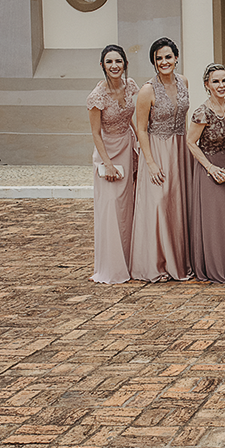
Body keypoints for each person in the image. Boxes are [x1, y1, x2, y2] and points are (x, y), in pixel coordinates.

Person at [130, 37, 192, 282]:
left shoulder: (184, 81)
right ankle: (156, 264)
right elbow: (141, 129)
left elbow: (184, 118)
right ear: (154, 63)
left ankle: (179, 260)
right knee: (159, 203)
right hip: (157, 149)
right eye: (159, 58)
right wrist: (150, 162)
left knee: (177, 205)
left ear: (176, 58)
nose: (164, 62)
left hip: (180, 149)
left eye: (168, 56)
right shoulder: (147, 90)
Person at [186, 64, 225, 282]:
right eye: (216, 81)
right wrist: (210, 168)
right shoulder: (202, 112)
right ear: (207, 85)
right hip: (208, 167)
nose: (221, 86)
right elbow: (191, 143)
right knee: (214, 218)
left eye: (224, 81)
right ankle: (214, 267)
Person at [87, 44, 138, 283]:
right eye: (109, 62)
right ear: (102, 66)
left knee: (127, 208)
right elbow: (96, 134)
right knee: (110, 209)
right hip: (107, 152)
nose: (114, 66)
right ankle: (111, 268)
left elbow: (134, 119)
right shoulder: (96, 97)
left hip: (128, 148)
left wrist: (140, 145)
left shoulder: (132, 87)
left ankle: (130, 263)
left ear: (125, 64)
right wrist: (106, 164)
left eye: (118, 61)